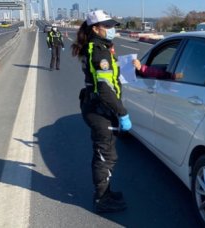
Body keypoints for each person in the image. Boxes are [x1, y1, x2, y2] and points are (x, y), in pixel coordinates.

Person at [71, 10, 131, 213]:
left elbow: (105, 79)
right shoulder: (99, 50)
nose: (112, 29)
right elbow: (104, 88)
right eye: (107, 26)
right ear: (95, 29)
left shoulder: (99, 47)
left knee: (106, 153)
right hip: (100, 109)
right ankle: (102, 199)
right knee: (105, 156)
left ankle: (106, 191)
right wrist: (122, 113)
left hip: (97, 106)